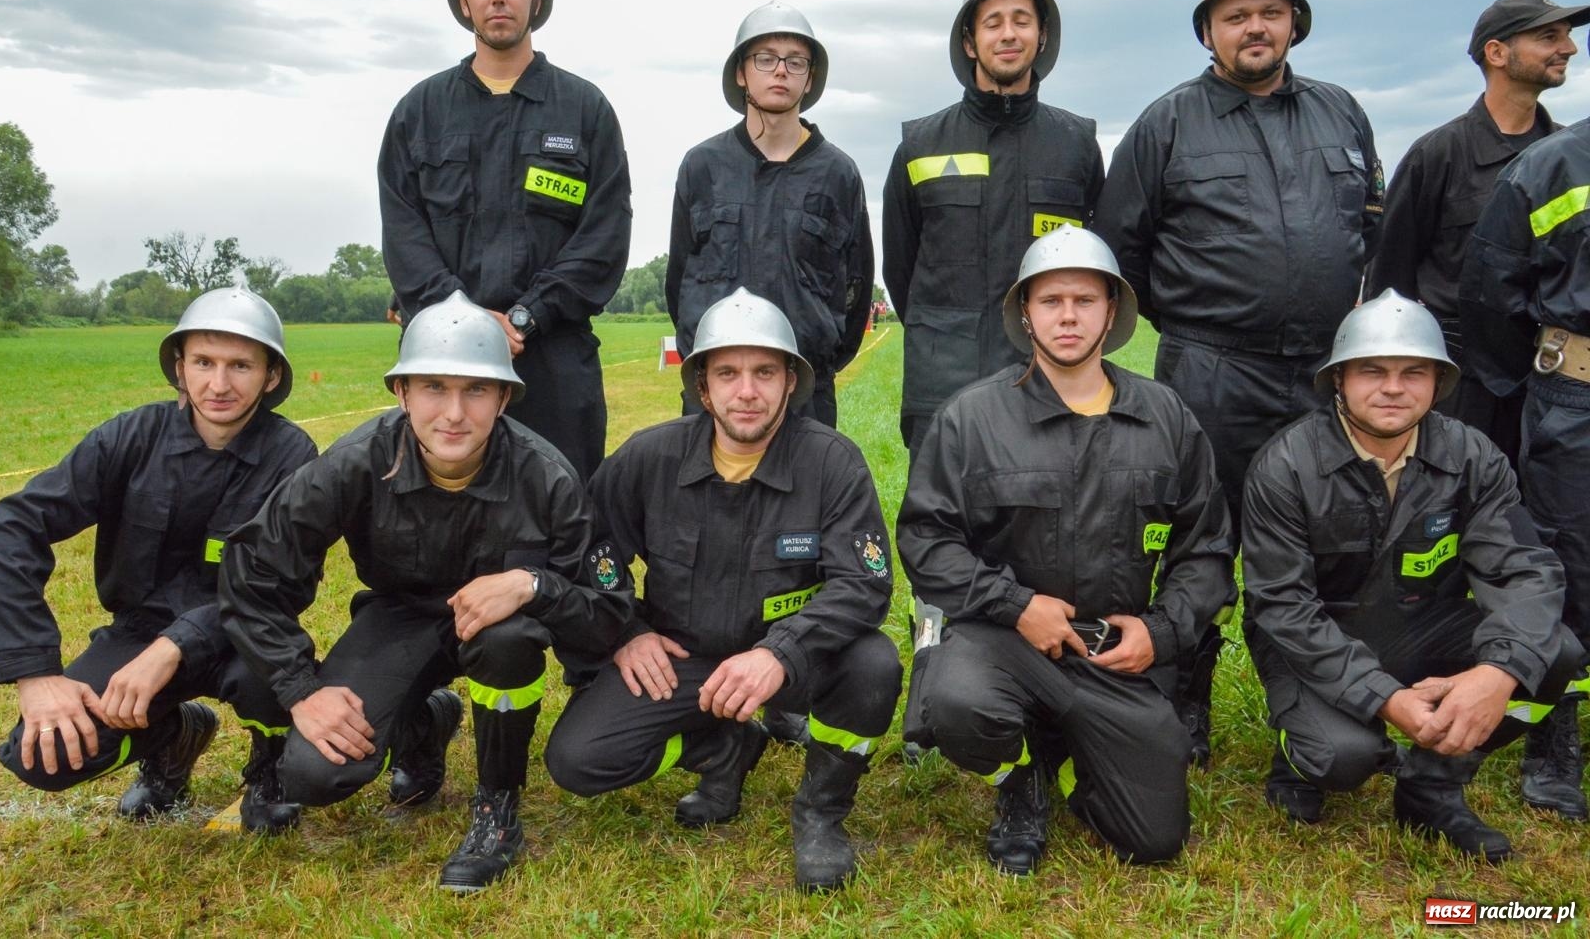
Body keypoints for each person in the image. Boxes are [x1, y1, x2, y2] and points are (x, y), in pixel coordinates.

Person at [219, 292, 630, 892]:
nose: (455, 413)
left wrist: (534, 585)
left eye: (477, 390)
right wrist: (302, 690)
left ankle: (496, 807)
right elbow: (252, 571)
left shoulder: (549, 476)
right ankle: (425, 726)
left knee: (509, 637)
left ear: (505, 397)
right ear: (401, 393)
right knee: (313, 774)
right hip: (399, 616)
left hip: (495, 632)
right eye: (434, 387)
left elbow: (607, 612)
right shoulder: (356, 462)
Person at [1095, 0, 1383, 766]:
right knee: (1200, 536)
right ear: (1208, 31)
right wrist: (1199, 320)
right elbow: (1124, 253)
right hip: (1211, 370)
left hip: (1322, 374)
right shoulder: (1166, 123)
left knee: (1323, 537)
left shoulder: (1342, 113)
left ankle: (1317, 698)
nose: (1254, 27)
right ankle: (1185, 695)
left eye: (1270, 11)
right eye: (1235, 15)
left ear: (1294, 23)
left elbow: (1371, 226)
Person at [897, 228, 1231, 873]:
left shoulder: (1166, 416)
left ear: (1113, 310)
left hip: (1111, 652)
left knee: (1154, 841)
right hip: (1003, 641)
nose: (1069, 316)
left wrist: (1161, 632)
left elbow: (1206, 548)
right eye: (1050, 300)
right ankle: (1019, 784)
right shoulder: (972, 418)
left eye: (1086, 299)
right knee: (960, 702)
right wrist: (1015, 604)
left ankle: (1068, 749)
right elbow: (926, 539)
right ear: (1025, 312)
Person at [544, 288, 901, 891]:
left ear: (791, 381)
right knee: (578, 761)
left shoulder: (832, 463)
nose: (747, 391)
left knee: (874, 665)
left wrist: (778, 654)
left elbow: (863, 585)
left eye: (765, 372)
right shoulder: (649, 458)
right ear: (702, 386)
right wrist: (627, 630)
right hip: (685, 657)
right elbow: (592, 552)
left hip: (790, 660)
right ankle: (721, 750)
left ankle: (820, 812)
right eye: (727, 373)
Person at [1243, 289, 1581, 861]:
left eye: (1413, 372)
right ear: (1340, 381)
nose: (1393, 387)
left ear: (1438, 382)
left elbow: (1526, 570)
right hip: (1315, 638)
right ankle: (1297, 756)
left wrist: (1496, 674)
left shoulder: (1473, 455)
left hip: (1421, 622)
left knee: (1557, 654)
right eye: (1372, 370)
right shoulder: (1285, 466)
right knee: (1341, 757)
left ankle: (1431, 785)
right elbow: (1285, 609)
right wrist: (1387, 699)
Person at [0, 288, 315, 833]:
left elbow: (278, 584)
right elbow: (11, 529)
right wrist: (35, 672)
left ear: (271, 377)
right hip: (137, 633)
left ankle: (271, 766)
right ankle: (173, 736)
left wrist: (176, 646)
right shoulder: (129, 437)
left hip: (245, 631)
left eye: (241, 365)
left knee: (275, 681)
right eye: (204, 363)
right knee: (42, 755)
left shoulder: (293, 457)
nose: (219, 384)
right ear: (178, 367)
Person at [380, 0, 632, 482]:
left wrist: (523, 316)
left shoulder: (585, 110)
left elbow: (603, 240)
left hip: (554, 359)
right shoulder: (417, 113)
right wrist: (465, 318)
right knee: (442, 521)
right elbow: (405, 237)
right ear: (463, 0)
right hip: (443, 362)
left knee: (567, 519)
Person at [881, 0, 1104, 455]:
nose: (1008, 34)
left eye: (1021, 20)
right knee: (938, 527)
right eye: (993, 22)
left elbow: (1097, 262)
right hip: (942, 388)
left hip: (1048, 383)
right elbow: (900, 269)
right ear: (969, 41)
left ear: (1042, 36)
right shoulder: (919, 146)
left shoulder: (1076, 145)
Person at [1366, 0, 1589, 467]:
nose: (1568, 48)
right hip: (1461, 388)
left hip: (1553, 387)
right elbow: (1390, 282)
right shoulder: (1438, 155)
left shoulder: (1569, 161)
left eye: (1568, 36)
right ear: (1497, 53)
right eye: (1548, 36)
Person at [1462, 115, 1590, 821]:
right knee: (1569, 573)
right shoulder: (1553, 165)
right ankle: (1553, 743)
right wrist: (1538, 388)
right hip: (1576, 400)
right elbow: (1490, 292)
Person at [667, 1, 873, 428]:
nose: (780, 71)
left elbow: (855, 290)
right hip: (715, 400)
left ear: (810, 77)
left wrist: (814, 365)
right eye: (765, 59)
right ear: (741, 72)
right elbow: (679, 281)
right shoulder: (701, 167)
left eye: (795, 61)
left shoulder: (839, 175)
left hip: (807, 400)